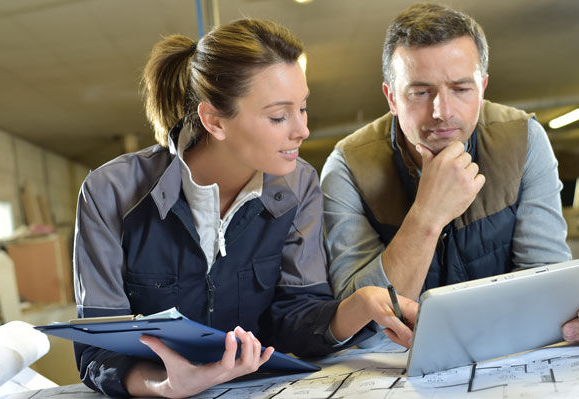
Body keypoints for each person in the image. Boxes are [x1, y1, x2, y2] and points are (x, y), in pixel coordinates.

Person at [73, 18, 417, 398]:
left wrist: (361, 305)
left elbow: (295, 317)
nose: (301, 129)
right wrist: (167, 384)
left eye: (302, 108)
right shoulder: (110, 193)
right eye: (278, 116)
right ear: (214, 121)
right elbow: (96, 349)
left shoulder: (299, 185)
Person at [321, 3, 579, 347]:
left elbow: (548, 285)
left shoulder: (522, 140)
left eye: (461, 89)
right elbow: (359, 328)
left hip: (507, 356)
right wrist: (427, 215)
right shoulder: (347, 167)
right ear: (391, 97)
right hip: (394, 366)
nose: (442, 112)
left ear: (482, 87)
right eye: (420, 92)